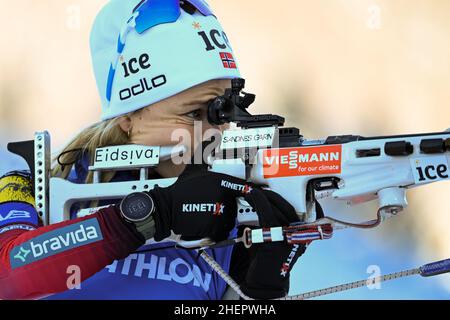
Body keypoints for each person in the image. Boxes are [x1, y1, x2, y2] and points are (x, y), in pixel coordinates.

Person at [0, 0, 305, 300]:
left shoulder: (231, 216)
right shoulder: (32, 190)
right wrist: (148, 214)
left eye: (222, 116)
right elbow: (8, 274)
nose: (215, 135)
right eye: (193, 115)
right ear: (127, 117)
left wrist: (255, 294)